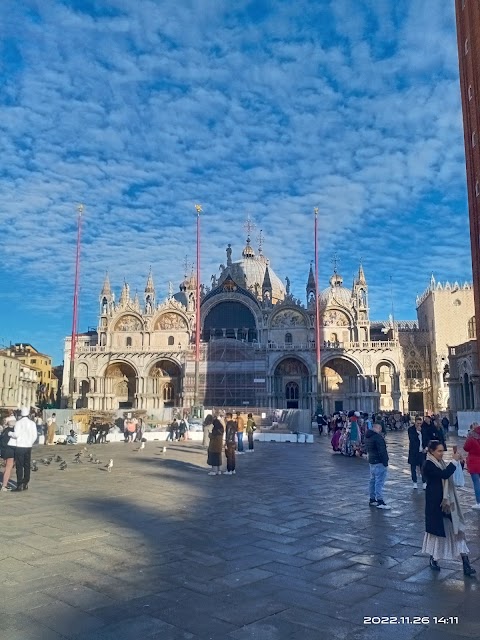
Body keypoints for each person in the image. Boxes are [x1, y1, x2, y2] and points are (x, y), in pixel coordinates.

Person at [422, 440, 476, 576]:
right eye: (439, 451)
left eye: (442, 451)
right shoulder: (428, 464)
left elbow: (450, 473)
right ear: (431, 451)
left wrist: (460, 463)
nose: (441, 453)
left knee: (458, 531)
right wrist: (453, 461)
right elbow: (444, 474)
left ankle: (466, 563)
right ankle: (433, 558)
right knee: (437, 535)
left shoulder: (440, 463)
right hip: (436, 504)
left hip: (447, 503)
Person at [9, 407, 37, 491]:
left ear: (21, 414)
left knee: (19, 466)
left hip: (20, 446)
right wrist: (30, 443)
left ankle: (19, 484)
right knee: (27, 465)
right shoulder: (32, 423)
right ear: (28, 414)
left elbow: (16, 435)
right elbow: (35, 436)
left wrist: (10, 433)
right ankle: (26, 483)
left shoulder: (18, 423)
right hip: (28, 446)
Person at [365, 423, 390, 509]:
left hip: (372, 461)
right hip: (379, 462)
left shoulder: (368, 436)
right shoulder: (378, 438)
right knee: (379, 482)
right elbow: (382, 451)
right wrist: (385, 462)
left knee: (372, 480)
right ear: (378, 428)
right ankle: (380, 501)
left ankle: (372, 499)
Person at [463, 424, 480, 510]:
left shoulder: (471, 438)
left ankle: (479, 502)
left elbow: (465, 448)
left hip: (474, 463)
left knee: (476, 483)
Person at [408, 416, 426, 489]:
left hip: (422, 452)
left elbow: (426, 439)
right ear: (415, 422)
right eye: (418, 423)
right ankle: (414, 482)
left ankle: (424, 482)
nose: (419, 425)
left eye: (420, 423)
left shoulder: (424, 429)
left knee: (423, 468)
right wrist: (418, 432)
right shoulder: (411, 430)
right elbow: (412, 439)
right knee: (413, 468)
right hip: (414, 452)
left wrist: (426, 447)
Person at [1, 419, 16, 492]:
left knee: (7, 468)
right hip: (10, 451)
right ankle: (4, 485)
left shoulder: (5, 430)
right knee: (8, 468)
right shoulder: (12, 432)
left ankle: (5, 484)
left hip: (4, 451)